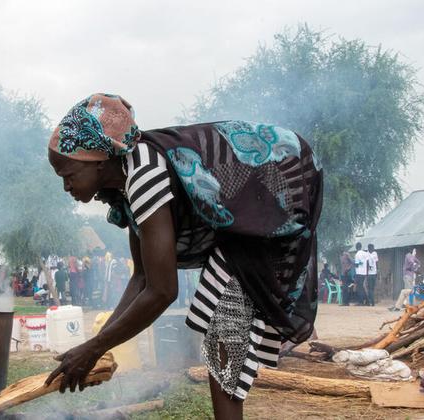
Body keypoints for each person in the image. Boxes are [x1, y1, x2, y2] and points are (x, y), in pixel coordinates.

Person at [44, 93, 322, 419]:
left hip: (275, 204)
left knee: (223, 328)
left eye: (69, 175)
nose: (66, 187)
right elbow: (143, 277)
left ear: (98, 160)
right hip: (245, 226)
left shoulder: (145, 174)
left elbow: (163, 291)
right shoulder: (127, 181)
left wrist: (94, 347)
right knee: (220, 327)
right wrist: (94, 345)